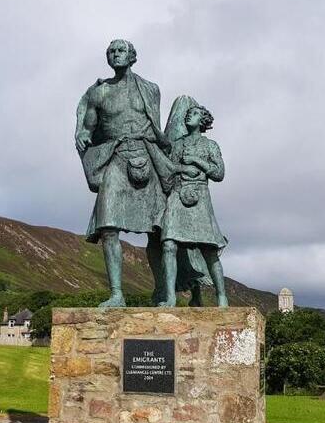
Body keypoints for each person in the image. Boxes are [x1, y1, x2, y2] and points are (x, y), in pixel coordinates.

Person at [75, 39, 170, 307]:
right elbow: (88, 127)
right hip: (116, 157)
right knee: (108, 227)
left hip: (146, 157)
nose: (116, 55)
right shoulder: (99, 93)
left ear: (132, 57)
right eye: (111, 52)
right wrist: (82, 134)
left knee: (158, 230)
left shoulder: (151, 90)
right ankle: (117, 294)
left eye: (121, 51)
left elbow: (156, 126)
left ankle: (162, 290)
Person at [159, 104, 228, 307]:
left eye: (195, 113)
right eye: (188, 113)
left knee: (209, 249)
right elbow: (169, 168)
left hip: (200, 195)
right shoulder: (178, 145)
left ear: (203, 120)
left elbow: (219, 174)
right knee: (169, 244)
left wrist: (196, 160)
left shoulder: (210, 145)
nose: (190, 115)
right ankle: (170, 296)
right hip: (178, 193)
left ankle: (221, 296)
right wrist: (182, 168)